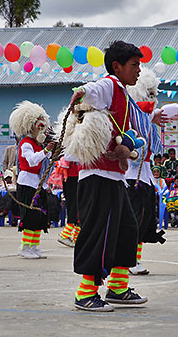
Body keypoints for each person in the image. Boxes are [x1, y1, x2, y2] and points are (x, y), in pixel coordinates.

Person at [66, 41, 150, 311]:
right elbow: (91, 91)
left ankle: (118, 288)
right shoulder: (110, 85)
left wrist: (128, 146)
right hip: (98, 175)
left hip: (114, 177)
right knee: (99, 232)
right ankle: (85, 293)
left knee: (127, 230)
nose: (138, 70)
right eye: (134, 65)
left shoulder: (124, 95)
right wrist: (80, 91)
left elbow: (133, 136)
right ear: (117, 66)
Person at [126, 66, 178, 275]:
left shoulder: (147, 114)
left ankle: (134, 261)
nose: (152, 98)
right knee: (135, 220)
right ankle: (128, 262)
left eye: (153, 94)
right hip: (131, 175)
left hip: (145, 175)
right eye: (149, 94)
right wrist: (150, 115)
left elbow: (165, 112)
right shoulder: (131, 114)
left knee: (144, 220)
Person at [9, 100, 55, 259]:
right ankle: (25, 247)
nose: (41, 129)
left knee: (39, 217)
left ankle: (34, 246)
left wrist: (50, 151)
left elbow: (43, 159)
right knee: (30, 216)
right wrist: (45, 152)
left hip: (37, 183)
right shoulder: (26, 143)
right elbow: (31, 161)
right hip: (27, 183)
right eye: (39, 126)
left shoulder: (37, 144)